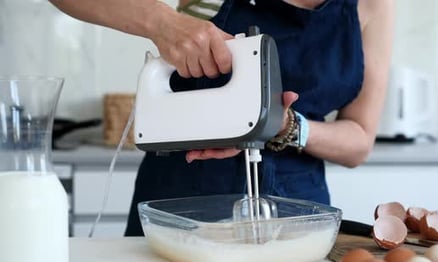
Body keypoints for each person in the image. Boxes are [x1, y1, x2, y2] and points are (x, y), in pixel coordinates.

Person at [49, 0, 394, 236]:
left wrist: (285, 126)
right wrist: (163, 22)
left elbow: (359, 141)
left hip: (300, 212)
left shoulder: (374, 5)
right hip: (182, 200)